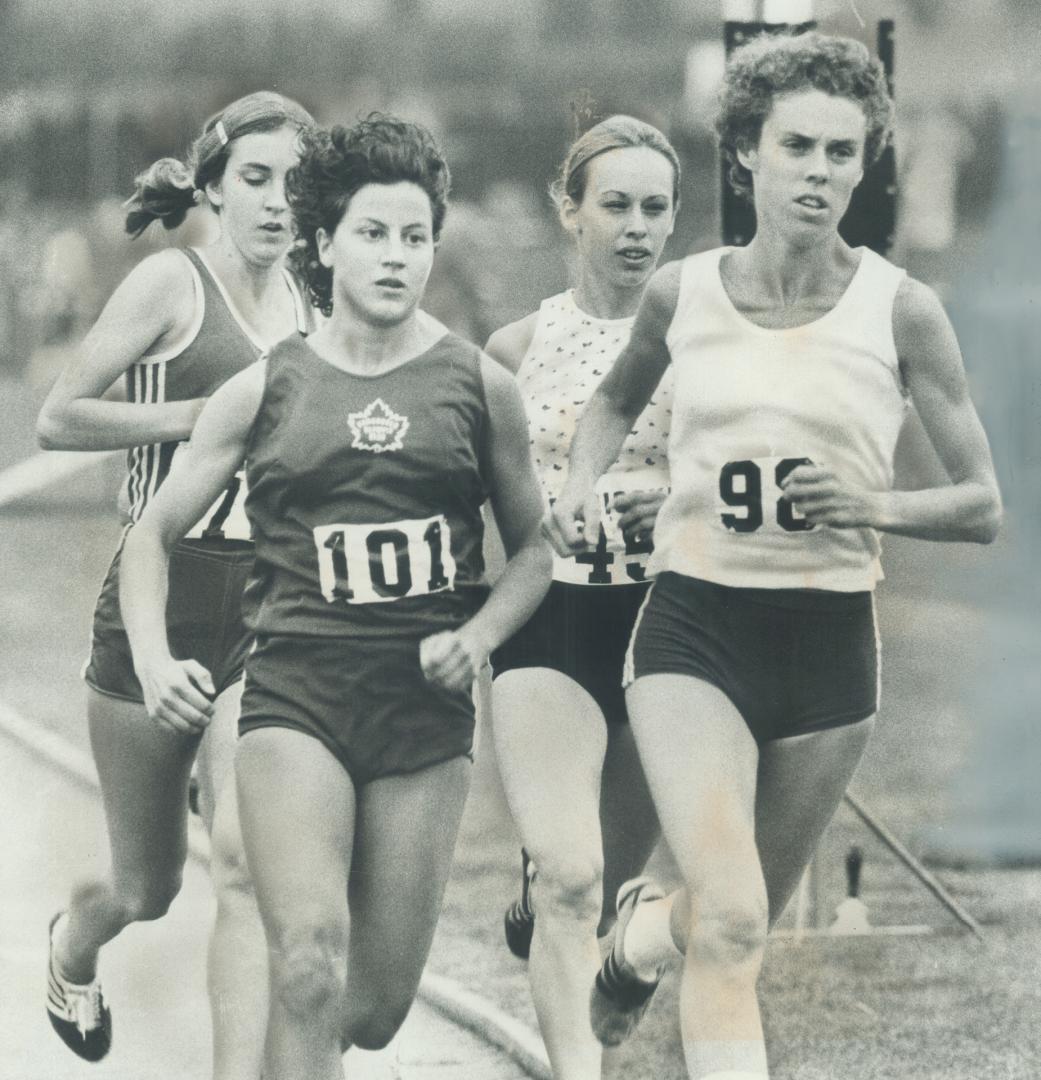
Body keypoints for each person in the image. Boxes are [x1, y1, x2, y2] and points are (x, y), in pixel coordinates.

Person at [545, 32, 1002, 1080]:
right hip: (696, 630)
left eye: (845, 153)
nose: (822, 173)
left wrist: (873, 503)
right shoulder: (684, 293)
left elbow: (982, 504)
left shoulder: (904, 312)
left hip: (830, 649)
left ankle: (639, 940)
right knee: (744, 921)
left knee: (719, 914)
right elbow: (615, 399)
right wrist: (576, 490)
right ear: (747, 151)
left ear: (867, 164)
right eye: (799, 146)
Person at [118, 114, 551, 1080]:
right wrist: (153, 657)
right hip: (293, 700)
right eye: (372, 233)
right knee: (307, 964)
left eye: (414, 237)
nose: (395, 258)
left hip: (420, 718)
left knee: (373, 1006)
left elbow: (535, 555)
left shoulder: (481, 390)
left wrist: (477, 635)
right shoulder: (264, 388)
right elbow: (150, 536)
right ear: (323, 244)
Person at [37, 91, 315, 1078]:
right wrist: (206, 417)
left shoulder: (320, 303)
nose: (279, 202)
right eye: (256, 179)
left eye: (297, 182)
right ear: (211, 187)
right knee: (144, 884)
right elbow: (59, 419)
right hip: (157, 599)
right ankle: (73, 946)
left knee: (246, 864)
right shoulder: (172, 284)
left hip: (269, 609)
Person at [485, 114, 678, 1079]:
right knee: (569, 874)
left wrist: (675, 495)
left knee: (604, 887)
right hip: (552, 620)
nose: (636, 227)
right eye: (615, 205)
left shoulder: (707, 340)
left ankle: (569, 912)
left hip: (671, 632)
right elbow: (470, 491)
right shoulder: (517, 345)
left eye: (655, 207)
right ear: (571, 212)